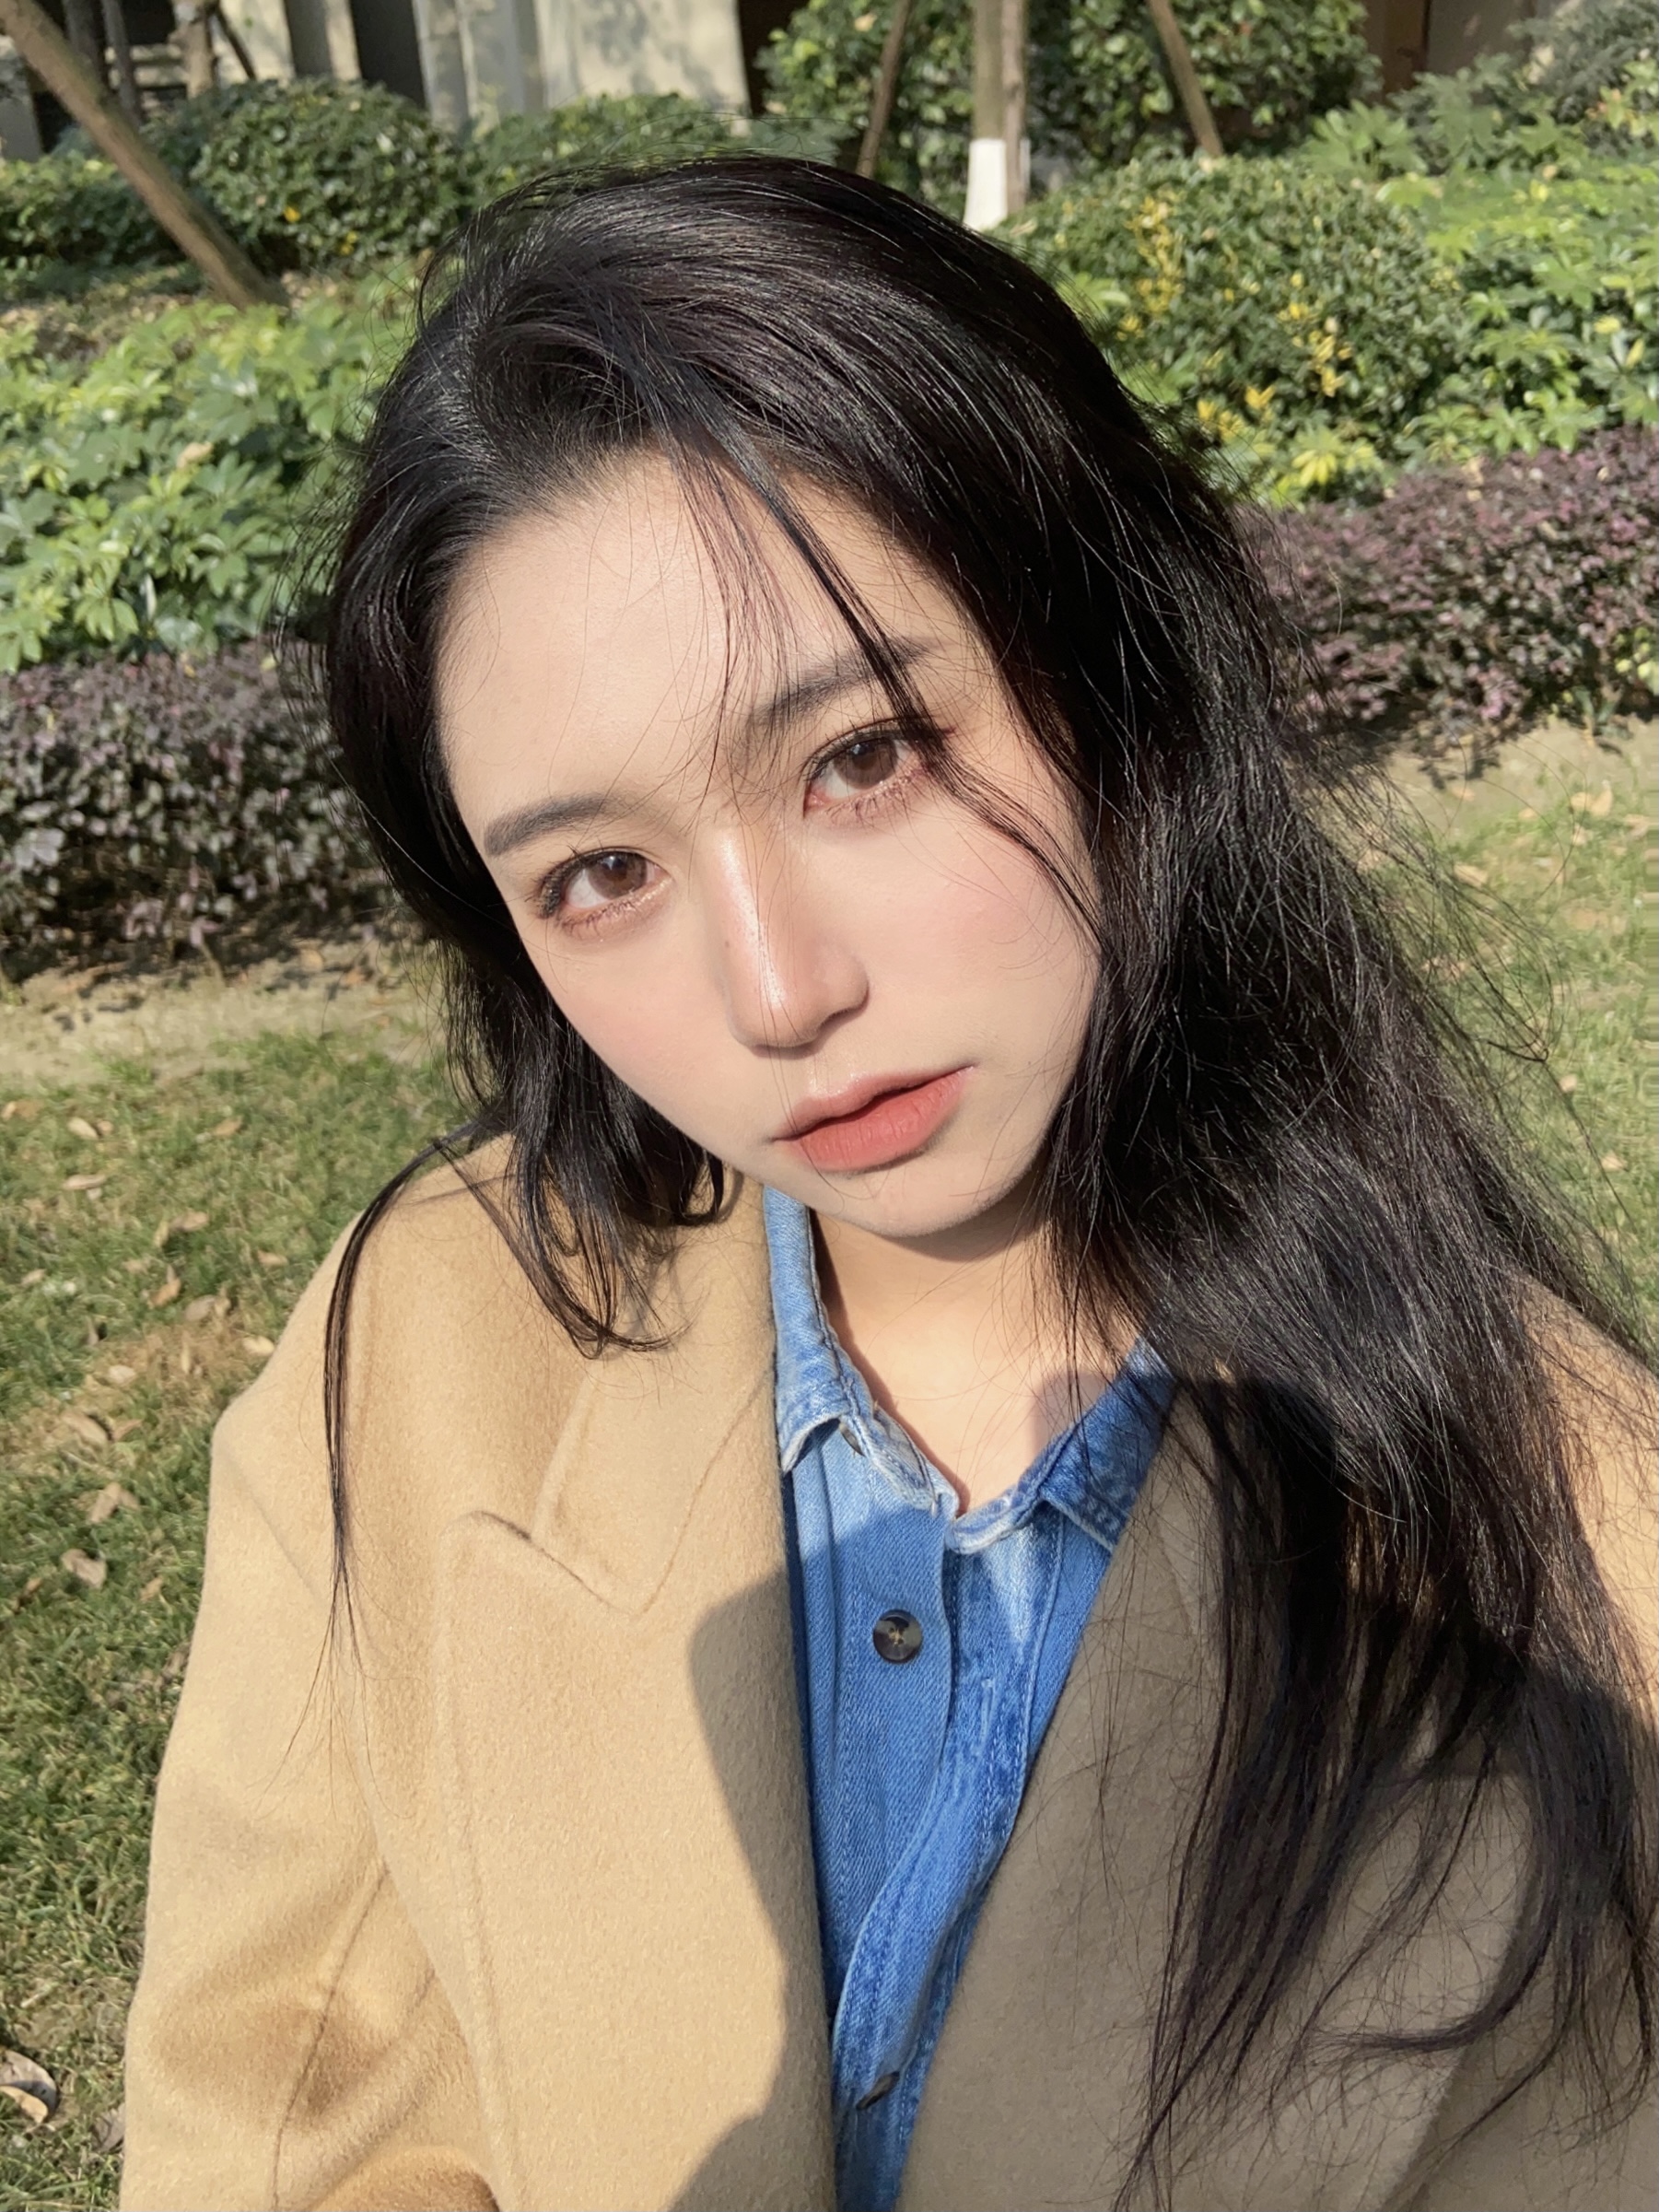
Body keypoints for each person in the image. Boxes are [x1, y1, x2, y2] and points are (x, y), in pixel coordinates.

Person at [120, 159, 1655, 2212]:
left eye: (860, 758)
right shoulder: (422, 1346)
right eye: (600, 873)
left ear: (1114, 679)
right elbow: (275, 2116)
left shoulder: (1576, 1565)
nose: (778, 994)